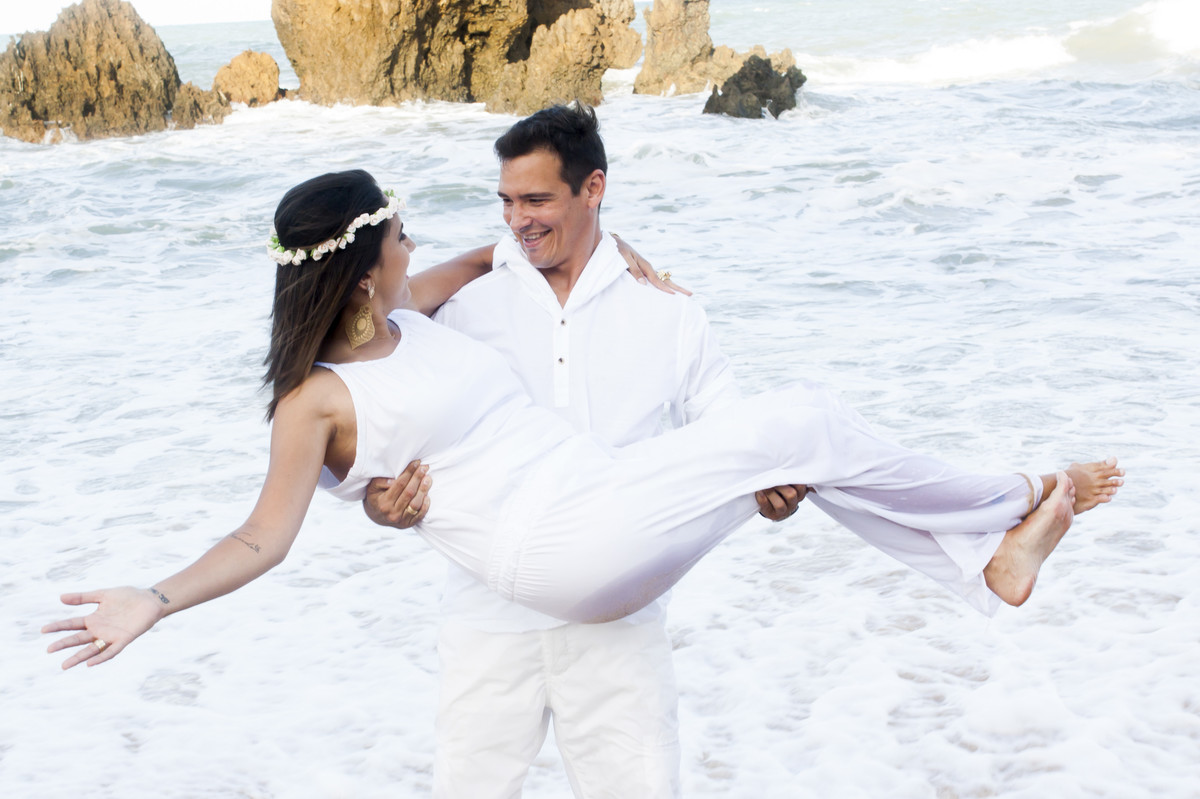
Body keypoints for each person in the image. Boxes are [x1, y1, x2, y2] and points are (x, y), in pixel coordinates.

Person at [44, 169, 1122, 686]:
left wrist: (626, 258)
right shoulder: (312, 399)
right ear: (363, 260)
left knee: (798, 446)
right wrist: (157, 596)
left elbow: (514, 248)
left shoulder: (407, 310)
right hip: (551, 541)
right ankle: (1015, 498)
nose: (417, 246)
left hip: (597, 497)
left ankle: (988, 558)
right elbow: (261, 537)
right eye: (400, 234)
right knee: (801, 419)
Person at [361, 104, 806, 799]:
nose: (517, 219)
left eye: (537, 199)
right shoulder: (459, 308)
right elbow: (377, 405)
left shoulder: (669, 311)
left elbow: (731, 436)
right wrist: (378, 501)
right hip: (486, 615)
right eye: (506, 201)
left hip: (617, 619)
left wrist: (771, 491)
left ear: (593, 188)